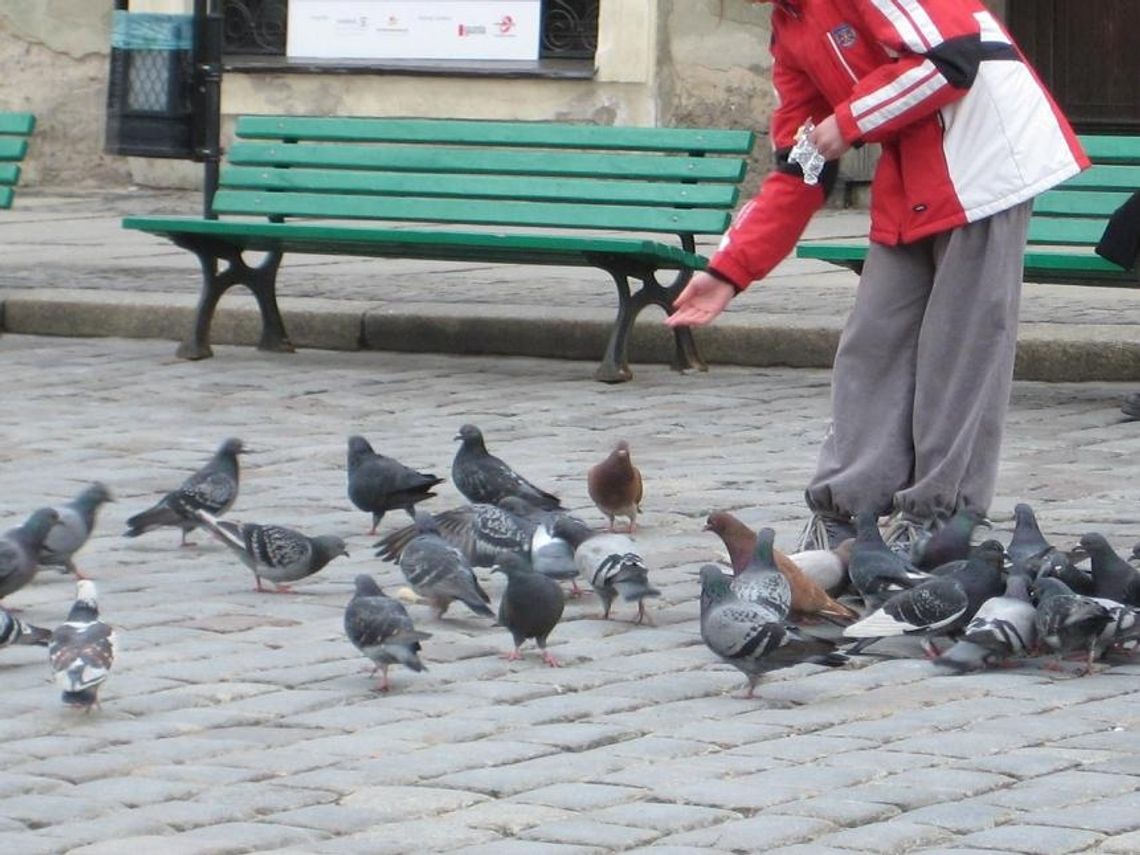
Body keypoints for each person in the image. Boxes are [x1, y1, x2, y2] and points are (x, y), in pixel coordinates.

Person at [666, 0, 1088, 553]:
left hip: (987, 161)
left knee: (958, 348)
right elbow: (803, 164)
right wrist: (729, 269)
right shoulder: (790, 28)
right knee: (872, 341)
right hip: (911, 174)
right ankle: (846, 513)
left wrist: (850, 120)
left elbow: (952, 59)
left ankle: (940, 519)